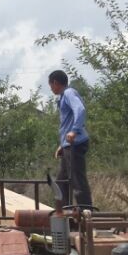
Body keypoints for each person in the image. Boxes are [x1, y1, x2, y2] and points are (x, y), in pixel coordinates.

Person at [48, 69, 92, 208]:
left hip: (75, 144)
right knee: (62, 181)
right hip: (68, 144)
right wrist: (62, 144)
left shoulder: (68, 93)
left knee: (77, 180)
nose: (51, 89)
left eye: (51, 85)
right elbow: (67, 122)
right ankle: (64, 211)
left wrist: (74, 131)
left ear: (55, 82)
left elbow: (80, 109)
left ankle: (86, 212)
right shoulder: (63, 97)